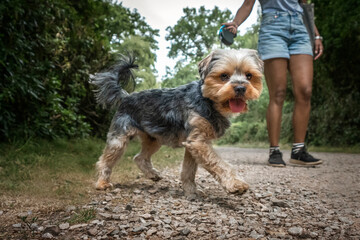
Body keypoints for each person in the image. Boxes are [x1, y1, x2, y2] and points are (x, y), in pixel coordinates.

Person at [223, 0, 324, 167]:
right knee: (278, 92)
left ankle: (298, 151)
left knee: (305, 90)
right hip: (273, 29)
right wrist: (235, 23)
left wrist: (316, 34)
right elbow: (248, 4)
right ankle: (274, 150)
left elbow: (304, 5)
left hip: (300, 27)